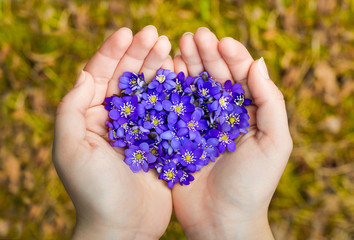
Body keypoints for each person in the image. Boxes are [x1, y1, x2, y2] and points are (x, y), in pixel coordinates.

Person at [52, 26, 293, 239]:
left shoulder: (198, 127)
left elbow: (184, 122)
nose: (181, 113)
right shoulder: (155, 126)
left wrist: (112, 229)